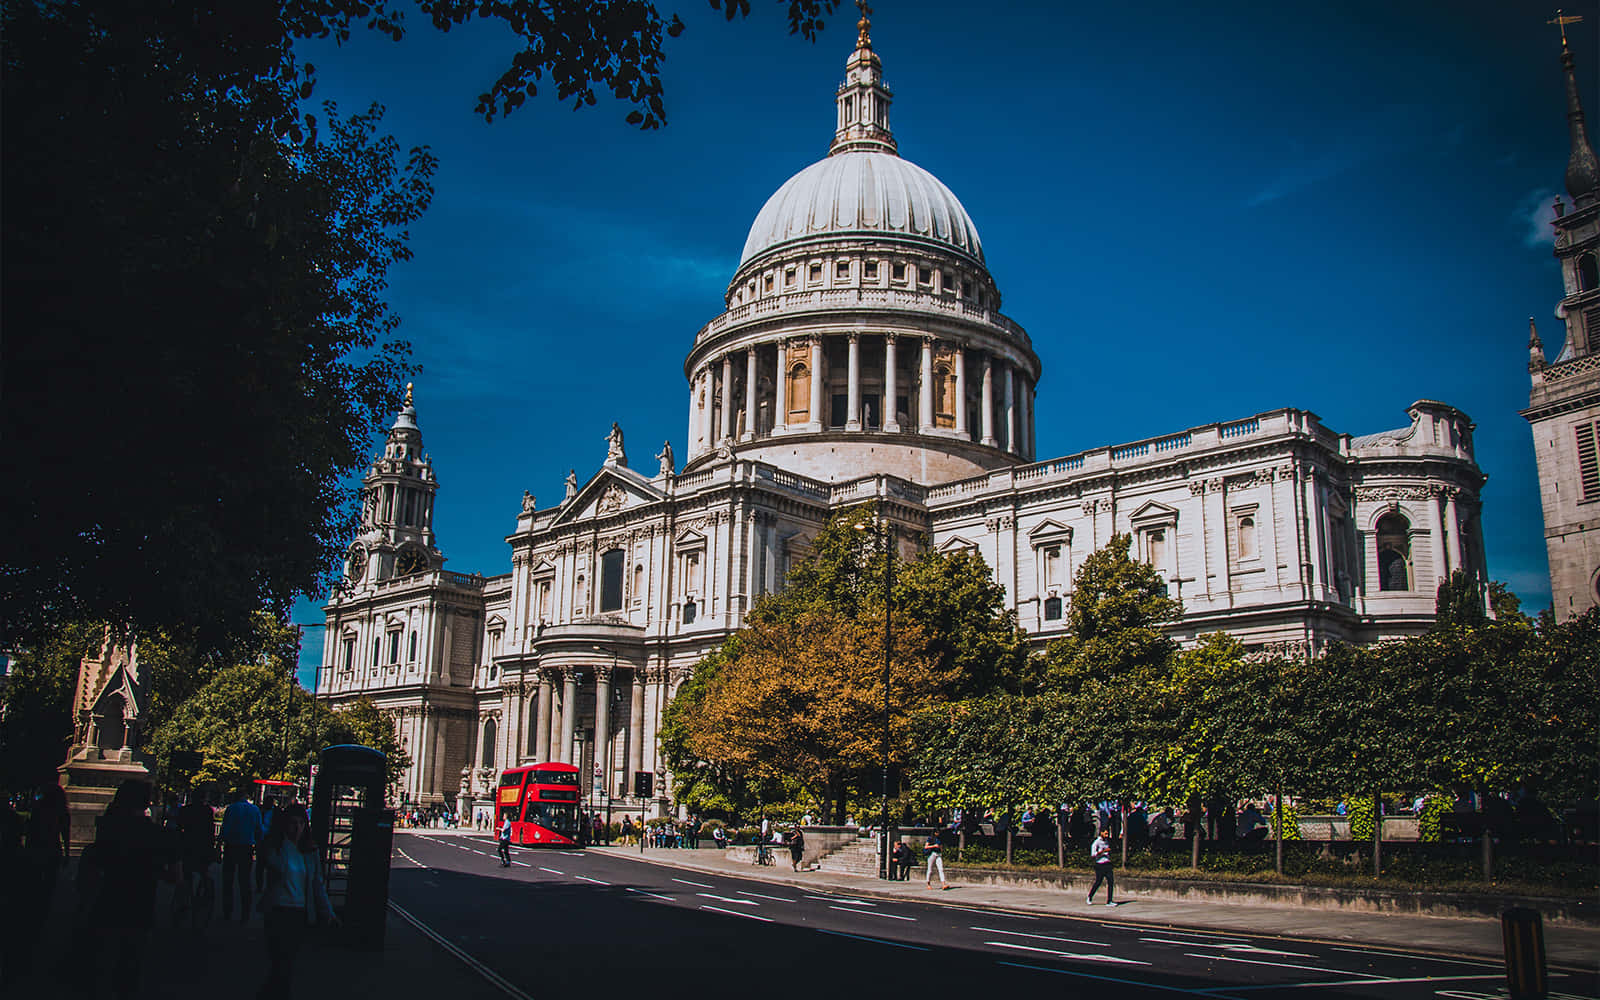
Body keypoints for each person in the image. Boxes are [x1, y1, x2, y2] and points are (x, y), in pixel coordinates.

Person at [80, 780, 178, 997]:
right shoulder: (157, 835)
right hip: (140, 906)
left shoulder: (108, 828)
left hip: (106, 903)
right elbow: (173, 876)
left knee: (101, 966)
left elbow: (93, 868)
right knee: (129, 968)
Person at [255, 803, 336, 999]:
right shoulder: (274, 846)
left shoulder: (310, 852)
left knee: (287, 965)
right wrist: (282, 842)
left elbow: (317, 884)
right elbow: (277, 866)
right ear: (284, 825)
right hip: (277, 911)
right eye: (293, 823)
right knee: (280, 965)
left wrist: (329, 913)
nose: (297, 828)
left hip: (299, 914)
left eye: (301, 823)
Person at [219, 789, 263, 920]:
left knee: (228, 881)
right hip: (246, 847)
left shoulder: (231, 809)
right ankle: (245, 912)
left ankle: (227, 911)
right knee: (245, 881)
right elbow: (259, 830)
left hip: (231, 846)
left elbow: (225, 829)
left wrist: (219, 843)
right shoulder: (254, 810)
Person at [174, 791, 216, 926]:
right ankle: (201, 894)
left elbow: (179, 827)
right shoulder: (207, 811)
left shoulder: (185, 810)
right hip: (203, 846)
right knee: (203, 871)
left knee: (186, 873)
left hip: (188, 844)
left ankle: (185, 898)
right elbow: (210, 830)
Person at [1086, 827, 1116, 906]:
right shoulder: (1096, 843)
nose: (1107, 835)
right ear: (1101, 833)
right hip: (1100, 864)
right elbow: (1093, 855)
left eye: (1107, 834)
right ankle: (1090, 896)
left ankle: (1109, 901)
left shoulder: (1106, 841)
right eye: (1105, 833)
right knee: (1098, 882)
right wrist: (1103, 852)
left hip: (1107, 863)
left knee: (1111, 881)